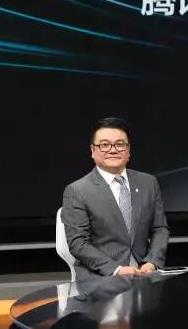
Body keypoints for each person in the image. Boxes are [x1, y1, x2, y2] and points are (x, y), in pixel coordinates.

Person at [62, 117, 169, 280]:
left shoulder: (148, 183)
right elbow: (78, 243)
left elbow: (160, 229)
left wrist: (152, 262)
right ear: (92, 150)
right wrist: (117, 269)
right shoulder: (77, 190)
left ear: (128, 150)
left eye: (120, 144)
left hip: (145, 275)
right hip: (102, 278)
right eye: (104, 145)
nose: (113, 150)